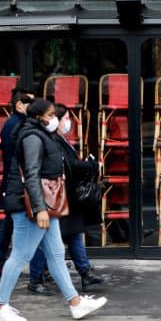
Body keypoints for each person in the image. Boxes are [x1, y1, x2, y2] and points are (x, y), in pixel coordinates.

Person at [0, 98, 107, 321]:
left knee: (55, 256)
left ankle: (75, 303)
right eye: (51, 115)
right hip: (32, 206)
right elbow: (31, 175)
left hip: (42, 205)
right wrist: (40, 209)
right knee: (21, 254)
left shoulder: (41, 135)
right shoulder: (32, 137)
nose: (56, 119)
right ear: (39, 117)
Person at [28, 103, 104, 292]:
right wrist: (90, 166)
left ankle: (85, 273)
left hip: (65, 197)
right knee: (42, 241)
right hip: (56, 198)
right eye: (66, 118)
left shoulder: (59, 140)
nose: (68, 122)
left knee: (74, 235)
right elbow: (67, 166)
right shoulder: (48, 140)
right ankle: (36, 279)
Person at [0, 86, 47, 289]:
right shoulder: (16, 126)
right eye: (29, 102)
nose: (33, 106)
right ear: (19, 104)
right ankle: (36, 274)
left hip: (14, 183)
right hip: (18, 183)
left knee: (10, 224)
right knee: (24, 227)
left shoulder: (17, 124)